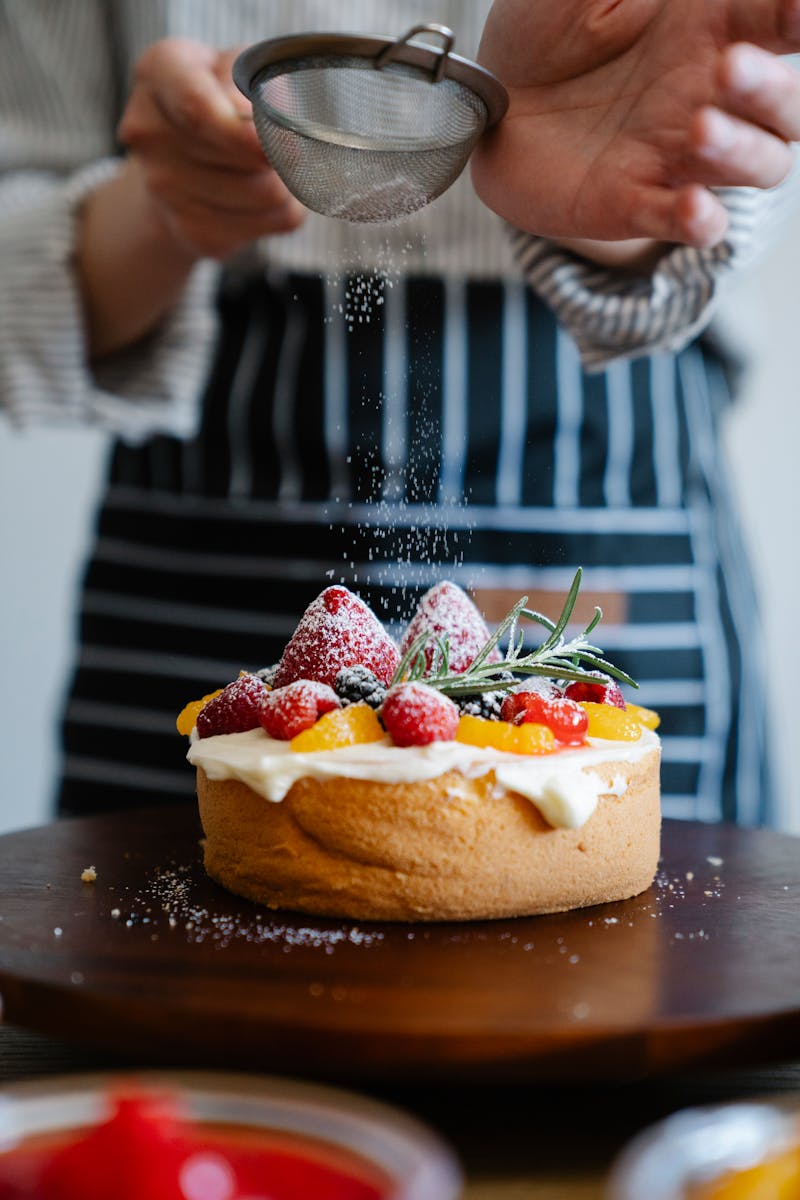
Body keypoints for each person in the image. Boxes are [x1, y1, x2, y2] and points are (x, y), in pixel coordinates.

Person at [1, 0, 799, 825]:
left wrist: (628, 184)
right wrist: (165, 206)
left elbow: (730, 185)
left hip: (600, 463)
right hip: (204, 528)